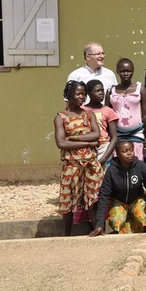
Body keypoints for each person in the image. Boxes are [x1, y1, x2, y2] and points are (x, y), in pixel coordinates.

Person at [53, 80, 104, 236]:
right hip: (71, 166)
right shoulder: (60, 118)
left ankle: (97, 229)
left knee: (92, 199)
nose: (82, 97)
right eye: (78, 94)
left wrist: (73, 139)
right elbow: (61, 143)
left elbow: (97, 135)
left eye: (84, 94)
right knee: (67, 200)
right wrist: (89, 143)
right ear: (69, 95)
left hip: (90, 165)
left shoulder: (89, 115)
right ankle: (67, 234)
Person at [90, 140, 146, 236]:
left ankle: (135, 231)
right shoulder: (111, 170)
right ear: (117, 154)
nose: (129, 153)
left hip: (136, 199)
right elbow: (104, 196)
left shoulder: (140, 166)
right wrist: (99, 224)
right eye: (125, 151)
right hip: (119, 201)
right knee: (116, 220)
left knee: (142, 218)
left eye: (131, 150)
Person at [106, 58, 146, 161]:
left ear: (133, 71)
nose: (125, 74)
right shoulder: (111, 91)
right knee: (118, 164)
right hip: (117, 135)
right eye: (122, 71)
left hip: (137, 134)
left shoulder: (140, 89)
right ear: (117, 72)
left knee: (137, 163)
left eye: (128, 71)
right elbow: (106, 114)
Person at [82, 79, 118, 166]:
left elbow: (114, 137)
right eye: (97, 91)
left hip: (104, 148)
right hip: (87, 148)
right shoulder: (82, 110)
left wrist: (104, 158)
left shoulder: (108, 111)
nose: (101, 93)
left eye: (102, 90)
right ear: (89, 93)